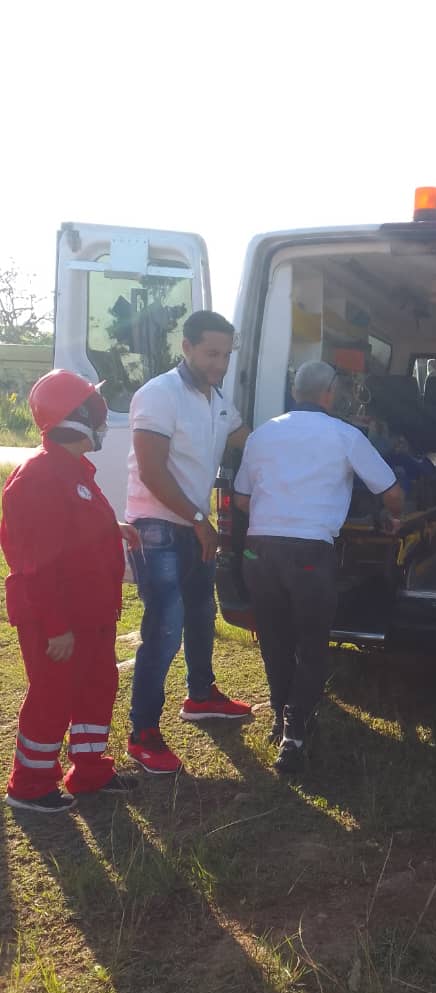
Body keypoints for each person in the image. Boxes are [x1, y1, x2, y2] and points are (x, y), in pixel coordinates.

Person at [234, 359, 404, 774]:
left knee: (274, 639)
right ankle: (295, 736)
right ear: (330, 393)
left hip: (259, 550)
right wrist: (393, 516)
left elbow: (241, 498)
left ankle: (280, 717)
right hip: (309, 552)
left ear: (295, 391)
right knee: (311, 644)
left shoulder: (262, 433)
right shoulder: (345, 435)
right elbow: (392, 492)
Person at [2, 370, 139, 813]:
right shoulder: (38, 477)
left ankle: (89, 771)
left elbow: (71, 529)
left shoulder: (72, 470)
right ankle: (30, 786)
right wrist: (56, 627)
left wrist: (112, 528)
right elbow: (36, 564)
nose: (102, 420)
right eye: (94, 411)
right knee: (52, 696)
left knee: (96, 687)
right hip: (58, 618)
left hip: (91, 613)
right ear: (73, 417)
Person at [125, 310, 253, 775]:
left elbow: (246, 440)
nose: (219, 363)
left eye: (226, 355)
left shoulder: (217, 399)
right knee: (165, 629)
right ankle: (142, 733)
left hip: (192, 527)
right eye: (210, 353)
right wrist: (200, 521)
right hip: (158, 527)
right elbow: (151, 471)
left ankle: (200, 696)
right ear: (187, 347)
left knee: (200, 614)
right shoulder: (160, 394)